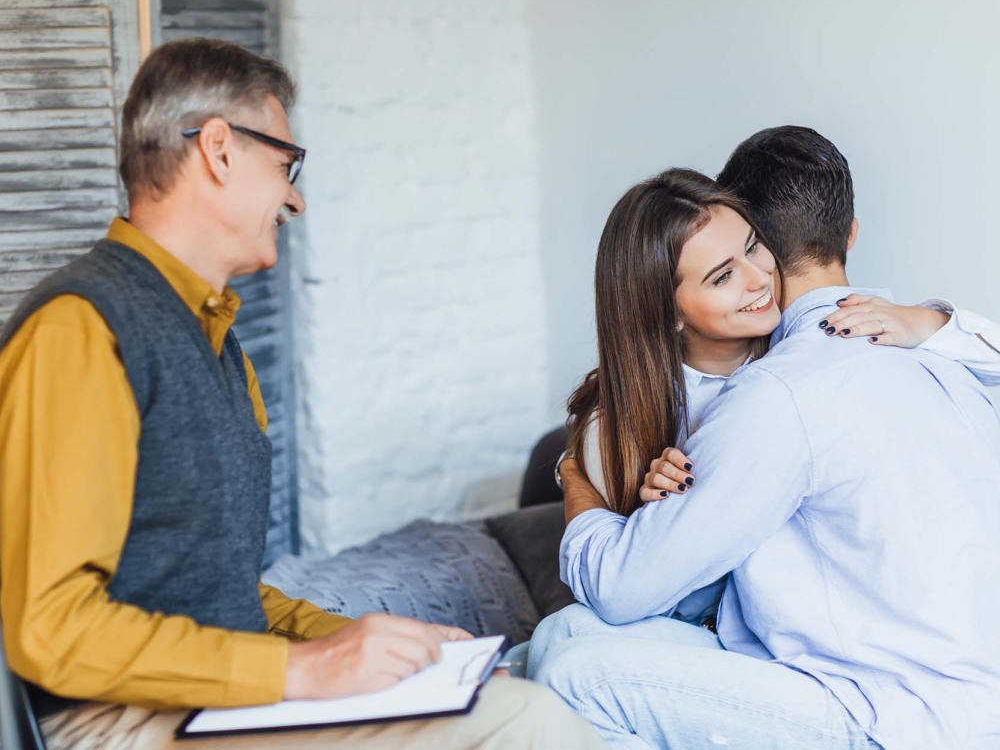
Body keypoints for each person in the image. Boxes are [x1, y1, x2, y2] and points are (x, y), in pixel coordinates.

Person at [0, 38, 605, 750]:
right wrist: (303, 670)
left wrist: (366, 644)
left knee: (504, 696)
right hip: (118, 720)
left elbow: (218, 591)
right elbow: (51, 628)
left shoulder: (220, 347)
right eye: (285, 164)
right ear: (218, 150)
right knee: (526, 724)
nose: (295, 197)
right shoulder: (79, 329)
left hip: (211, 701)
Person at [527, 127, 1000, 749]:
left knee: (577, 677)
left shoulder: (779, 394)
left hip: (902, 712)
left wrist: (574, 479)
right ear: (850, 233)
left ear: (771, 242)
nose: (755, 280)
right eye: (725, 273)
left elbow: (622, 590)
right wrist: (936, 322)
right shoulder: (934, 352)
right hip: (927, 681)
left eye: (754, 251)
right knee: (561, 636)